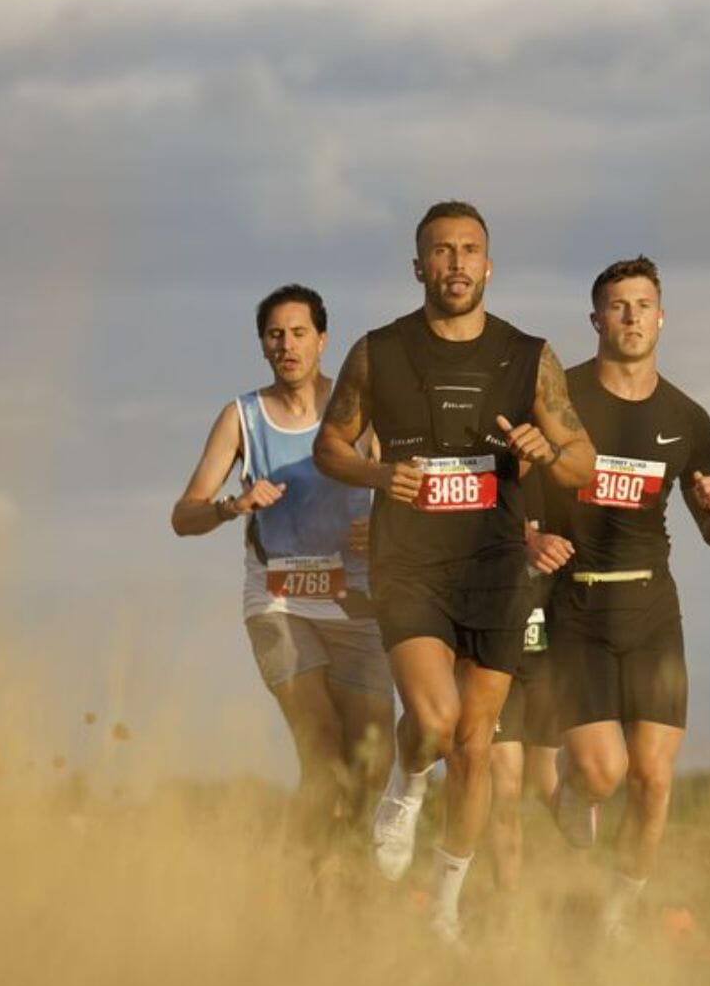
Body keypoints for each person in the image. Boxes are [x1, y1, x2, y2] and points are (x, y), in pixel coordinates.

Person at [313, 201, 594, 945]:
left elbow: (582, 462)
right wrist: (380, 473)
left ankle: (444, 909)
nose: (457, 262)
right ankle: (406, 784)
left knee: (474, 746)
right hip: (408, 561)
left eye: (470, 249)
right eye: (442, 251)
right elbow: (329, 446)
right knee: (435, 724)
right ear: (419, 267)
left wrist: (545, 452)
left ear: (489, 266)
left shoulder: (529, 357)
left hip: (494, 568)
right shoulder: (379, 352)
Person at [531, 255, 710, 940]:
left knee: (652, 778)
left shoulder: (687, 418)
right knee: (604, 773)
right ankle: (569, 783)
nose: (631, 316)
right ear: (596, 319)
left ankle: (616, 914)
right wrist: (531, 537)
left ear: (661, 317)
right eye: (618, 305)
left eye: (643, 305)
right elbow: (510, 493)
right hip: (575, 607)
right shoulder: (560, 400)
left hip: (652, 611)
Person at [172, 284, 394, 881]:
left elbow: (403, 486)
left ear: (323, 340)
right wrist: (232, 506)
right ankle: (299, 878)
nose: (287, 345)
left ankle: (338, 866)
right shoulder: (241, 417)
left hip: (357, 601)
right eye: (275, 335)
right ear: (262, 345)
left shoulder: (362, 412)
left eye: (299, 333)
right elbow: (183, 516)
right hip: (278, 601)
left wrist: (385, 528)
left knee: (373, 761)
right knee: (321, 745)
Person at [487, 476, 564, 898]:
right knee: (506, 785)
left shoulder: (562, 478)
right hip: (495, 656)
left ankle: (601, 881)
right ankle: (508, 909)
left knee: (546, 776)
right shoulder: (480, 470)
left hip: (549, 656)